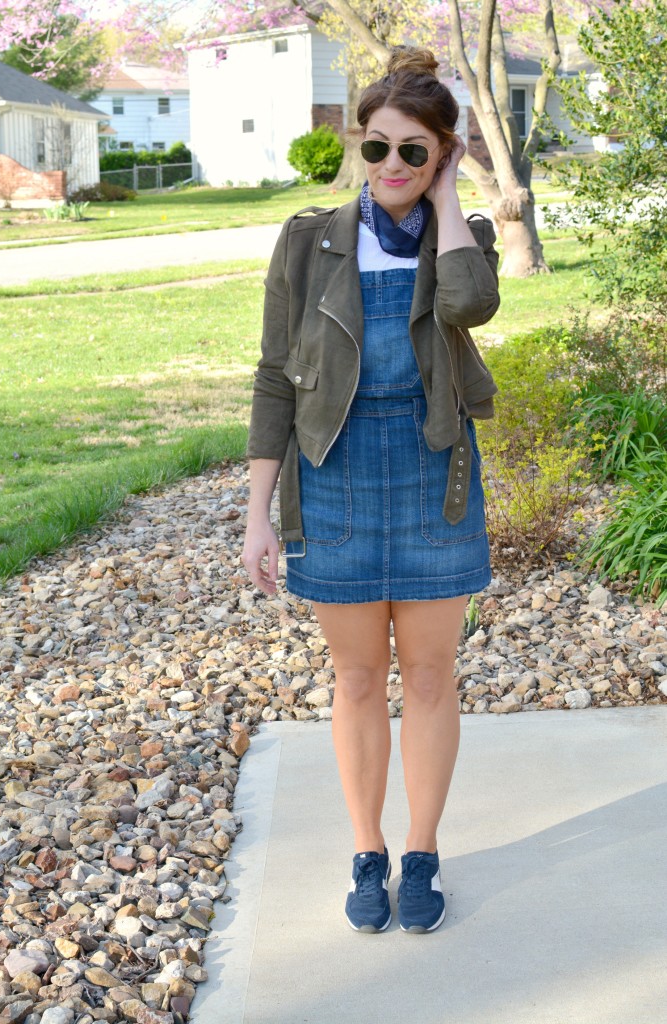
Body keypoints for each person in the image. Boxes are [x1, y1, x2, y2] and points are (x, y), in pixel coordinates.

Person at [242, 45, 500, 934]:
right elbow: (276, 378)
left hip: (436, 476)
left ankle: (421, 851)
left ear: (442, 154)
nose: (391, 166)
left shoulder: (459, 238)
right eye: (376, 148)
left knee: (429, 676)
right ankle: (367, 851)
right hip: (334, 478)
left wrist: (447, 200)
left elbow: (468, 307)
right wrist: (256, 516)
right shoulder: (306, 241)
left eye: (413, 152)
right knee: (356, 680)